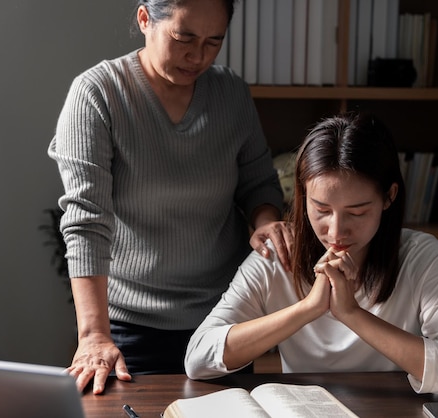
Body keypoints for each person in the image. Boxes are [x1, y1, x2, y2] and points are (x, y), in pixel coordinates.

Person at [48, 0, 293, 395]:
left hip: (225, 317)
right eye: (184, 38)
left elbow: (258, 183)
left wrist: (266, 222)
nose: (198, 56)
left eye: (214, 42)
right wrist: (94, 334)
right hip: (131, 325)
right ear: (145, 19)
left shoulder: (230, 93)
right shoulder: (98, 93)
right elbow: (86, 220)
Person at [185, 113, 438, 399]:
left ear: (389, 196)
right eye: (322, 210)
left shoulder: (421, 257)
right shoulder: (279, 252)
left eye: (357, 212)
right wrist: (309, 308)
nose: (336, 231)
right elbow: (198, 359)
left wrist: (351, 314)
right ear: (302, 196)